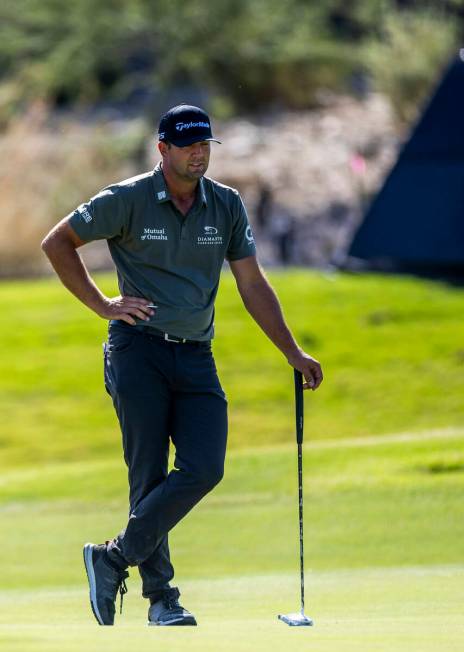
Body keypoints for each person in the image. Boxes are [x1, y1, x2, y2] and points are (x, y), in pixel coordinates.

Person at [41, 104, 323, 627]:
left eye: (205, 145)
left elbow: (253, 284)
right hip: (138, 351)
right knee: (146, 475)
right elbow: (57, 242)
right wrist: (104, 304)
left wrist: (292, 350)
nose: (199, 153)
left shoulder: (227, 206)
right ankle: (161, 599)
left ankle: (112, 557)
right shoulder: (127, 199)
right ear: (163, 149)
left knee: (205, 466)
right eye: (189, 144)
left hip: (197, 356)